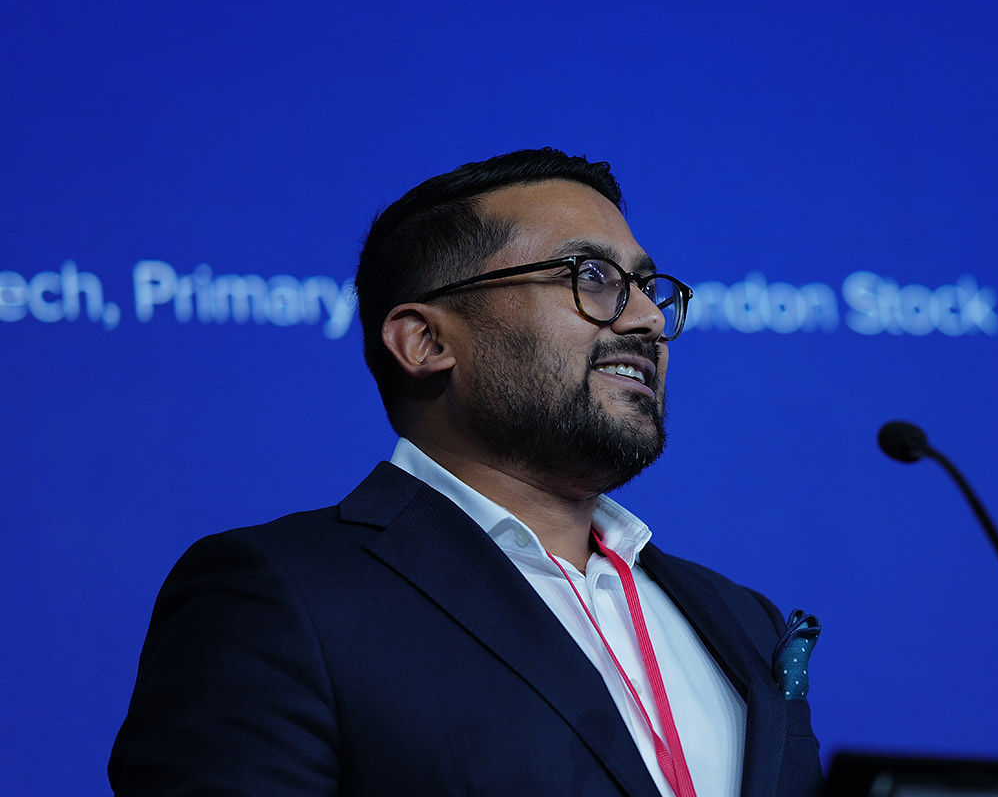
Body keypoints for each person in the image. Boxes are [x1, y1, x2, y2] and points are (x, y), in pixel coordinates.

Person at [109, 148, 827, 796]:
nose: (645, 318)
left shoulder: (742, 618)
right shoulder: (281, 597)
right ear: (424, 341)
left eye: (645, 286)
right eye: (591, 276)